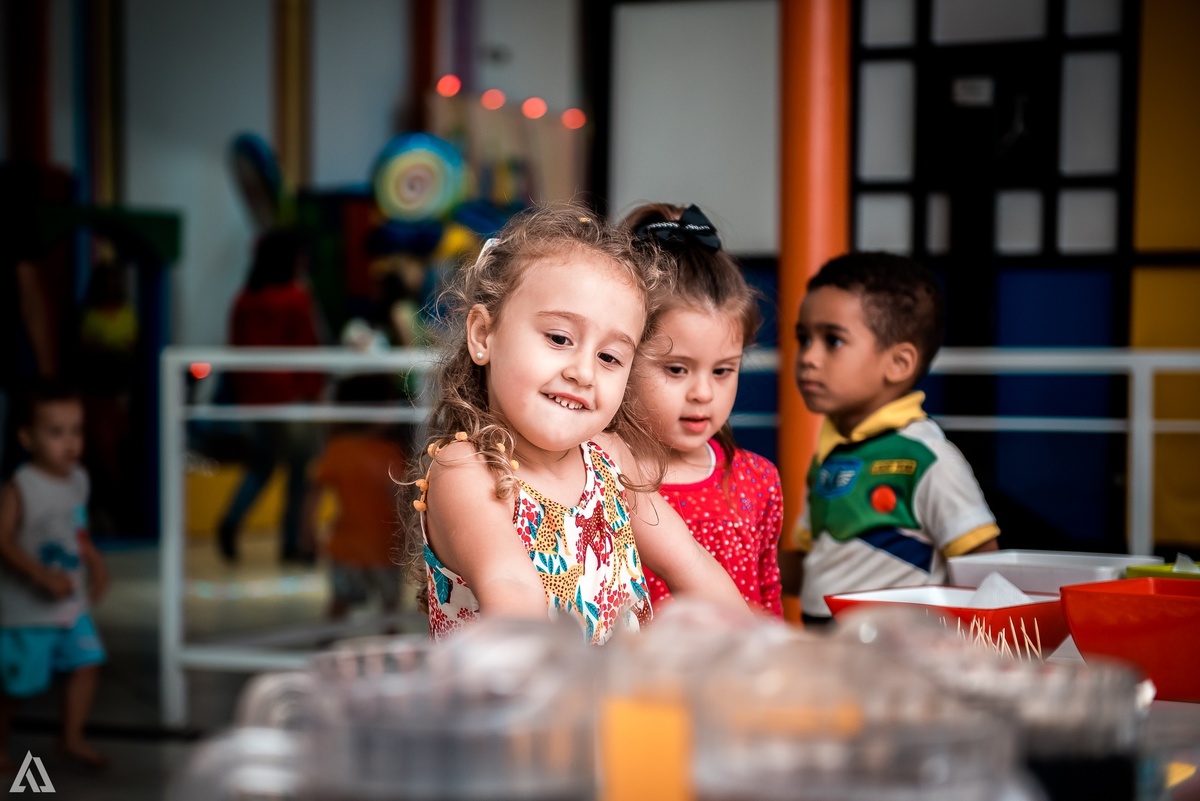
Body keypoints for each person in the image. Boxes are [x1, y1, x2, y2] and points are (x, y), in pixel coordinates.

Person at [405, 202, 753, 645]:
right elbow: (511, 588)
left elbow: (690, 564)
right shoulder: (467, 470)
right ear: (482, 335)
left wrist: (762, 649)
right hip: (519, 708)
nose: (583, 372)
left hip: (613, 710)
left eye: (609, 357)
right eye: (559, 338)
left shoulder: (610, 459)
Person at [783, 251, 1000, 626]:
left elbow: (985, 575)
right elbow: (814, 564)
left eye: (832, 341)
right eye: (804, 338)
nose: (808, 357)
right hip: (828, 654)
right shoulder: (829, 455)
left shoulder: (928, 460)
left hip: (903, 665)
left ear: (898, 363)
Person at [622, 203, 783, 617]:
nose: (703, 393)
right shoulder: (596, 474)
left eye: (723, 370)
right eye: (677, 369)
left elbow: (767, 607)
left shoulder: (757, 482)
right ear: (620, 355)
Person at [0, 381, 108, 769]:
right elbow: (3, 540)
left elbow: (76, 531)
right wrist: (38, 576)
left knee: (87, 662)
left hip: (69, 604)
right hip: (26, 611)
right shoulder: (21, 487)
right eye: (56, 432)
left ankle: (72, 738)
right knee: (20, 685)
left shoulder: (78, 479)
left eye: (76, 431)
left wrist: (94, 562)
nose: (70, 443)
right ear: (27, 438)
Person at [217, 228, 325, 564]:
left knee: (262, 466)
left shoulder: (244, 300)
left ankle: (231, 521)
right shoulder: (295, 297)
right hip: (290, 400)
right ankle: (292, 543)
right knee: (299, 470)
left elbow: (235, 350)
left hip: (253, 401)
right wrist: (313, 390)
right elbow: (306, 347)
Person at [302, 376, 409, 626]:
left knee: (347, 605)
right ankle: (390, 655)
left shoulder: (342, 449)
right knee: (388, 608)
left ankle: (325, 647)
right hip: (375, 548)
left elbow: (312, 496)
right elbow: (400, 501)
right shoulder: (387, 453)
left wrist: (307, 532)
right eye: (389, 405)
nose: (395, 411)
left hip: (360, 547)